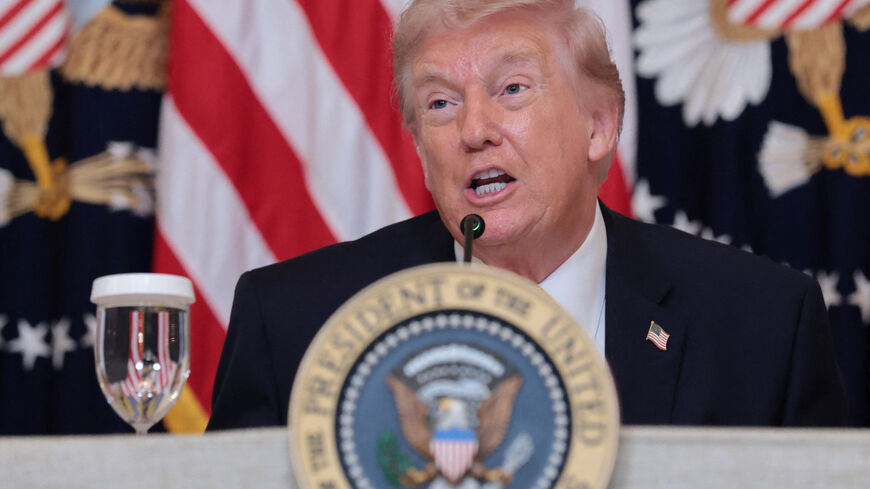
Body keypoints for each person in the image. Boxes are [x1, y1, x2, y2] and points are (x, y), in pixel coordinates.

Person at [207, 0, 846, 429]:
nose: (473, 129)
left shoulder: (762, 325)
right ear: (421, 150)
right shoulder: (294, 324)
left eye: (512, 89)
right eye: (439, 103)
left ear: (600, 126)